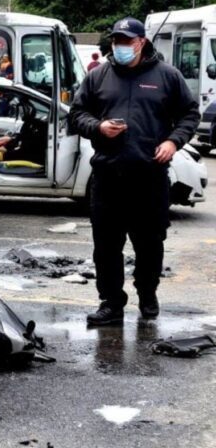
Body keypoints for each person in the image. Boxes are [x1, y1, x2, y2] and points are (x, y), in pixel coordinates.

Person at [69, 17, 200, 326]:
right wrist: (98, 126)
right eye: (116, 41)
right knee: (106, 246)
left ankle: (148, 294)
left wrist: (172, 141)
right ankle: (111, 303)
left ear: (142, 42)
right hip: (108, 178)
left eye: (127, 41)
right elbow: (76, 114)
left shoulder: (167, 76)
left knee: (150, 244)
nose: (120, 46)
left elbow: (189, 114)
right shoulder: (98, 76)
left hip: (150, 178)